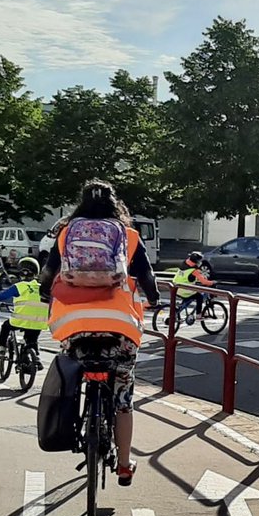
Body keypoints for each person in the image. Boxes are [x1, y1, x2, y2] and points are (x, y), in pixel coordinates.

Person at [40, 179, 160, 487]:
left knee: (72, 367)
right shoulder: (128, 236)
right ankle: (123, 464)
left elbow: (49, 271)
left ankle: (74, 419)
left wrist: (44, 292)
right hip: (119, 324)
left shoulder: (67, 233)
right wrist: (155, 299)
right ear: (114, 205)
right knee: (123, 395)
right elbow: (145, 275)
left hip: (73, 321)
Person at [0, 256, 46, 356]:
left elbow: (0, 297)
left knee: (5, 326)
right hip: (39, 322)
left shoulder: (19, 286)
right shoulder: (42, 288)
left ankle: (1, 348)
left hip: (19, 320)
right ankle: (35, 356)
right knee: (32, 339)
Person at [172, 251, 215, 324]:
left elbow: (189, 278)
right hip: (184, 290)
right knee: (199, 296)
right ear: (197, 261)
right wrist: (213, 282)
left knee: (190, 296)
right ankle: (198, 315)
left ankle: (179, 311)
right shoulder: (194, 271)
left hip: (175, 287)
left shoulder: (184, 263)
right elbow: (204, 282)